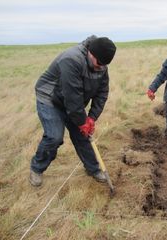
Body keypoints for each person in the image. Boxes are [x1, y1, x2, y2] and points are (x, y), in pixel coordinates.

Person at [29, 35, 116, 187]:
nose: (100, 67)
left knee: (83, 135)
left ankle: (93, 169)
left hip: (72, 102)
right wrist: (81, 121)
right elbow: (72, 96)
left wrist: (91, 118)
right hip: (50, 98)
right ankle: (36, 168)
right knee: (54, 137)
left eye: (104, 65)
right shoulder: (71, 59)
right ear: (91, 52)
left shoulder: (101, 65)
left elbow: (102, 93)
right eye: (98, 63)